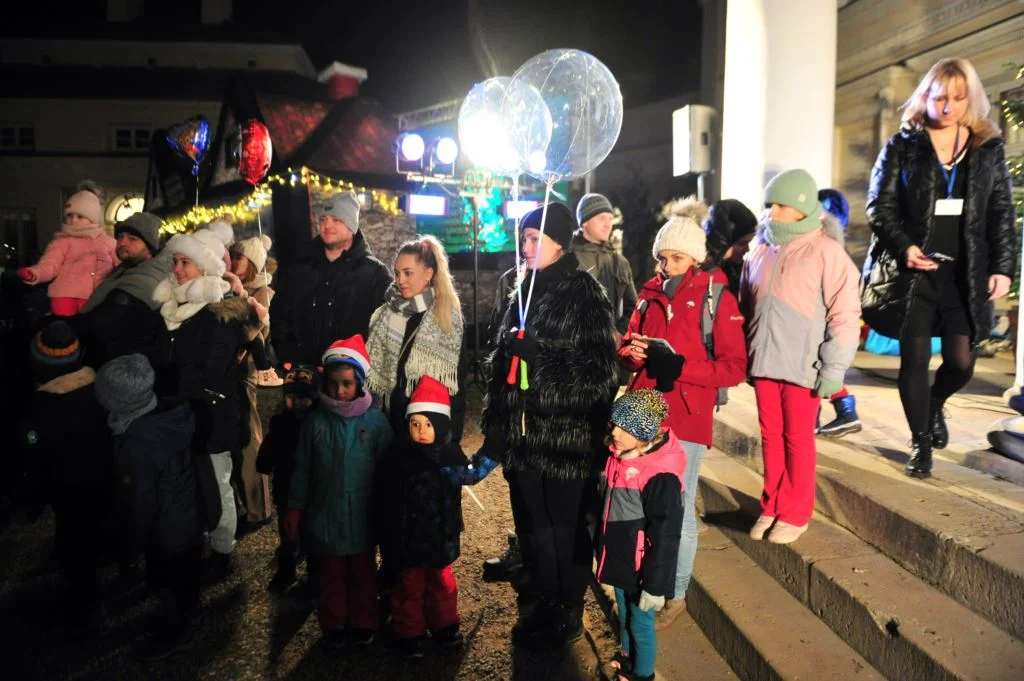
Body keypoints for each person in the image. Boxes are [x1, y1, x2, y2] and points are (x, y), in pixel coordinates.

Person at [862, 57, 1016, 478]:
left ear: (970, 99)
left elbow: (1001, 211)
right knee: (913, 359)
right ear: (926, 97)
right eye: (940, 97)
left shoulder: (987, 148)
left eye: (957, 98)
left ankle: (935, 404)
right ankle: (920, 444)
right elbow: (879, 205)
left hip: (964, 274)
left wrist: (1002, 266)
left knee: (962, 362)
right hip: (914, 271)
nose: (948, 106)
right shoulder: (903, 145)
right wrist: (905, 246)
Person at [480, 202, 618, 649]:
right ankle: (543, 599)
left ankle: (568, 608)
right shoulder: (522, 290)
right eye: (523, 238)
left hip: (565, 441)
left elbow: (600, 372)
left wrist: (544, 360)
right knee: (533, 527)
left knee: (565, 527)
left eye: (536, 238)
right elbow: (502, 363)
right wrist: (497, 423)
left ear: (560, 241)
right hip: (523, 439)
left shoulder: (585, 294)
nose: (526, 246)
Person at [619, 202, 747, 628]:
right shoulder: (649, 290)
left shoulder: (716, 294)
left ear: (695, 257)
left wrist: (682, 369)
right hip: (644, 411)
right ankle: (646, 577)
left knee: (677, 506)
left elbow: (734, 367)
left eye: (676, 258)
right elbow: (626, 343)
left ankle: (676, 590)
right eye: (662, 257)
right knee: (636, 498)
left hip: (688, 415)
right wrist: (632, 353)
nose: (667, 265)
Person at [740, 169, 861, 544]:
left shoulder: (827, 252)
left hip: (804, 366)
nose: (771, 211)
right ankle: (772, 504)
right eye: (770, 204)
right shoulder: (759, 251)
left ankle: (795, 511)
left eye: (781, 204)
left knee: (797, 438)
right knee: (770, 437)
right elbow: (747, 307)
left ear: (802, 207)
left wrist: (834, 366)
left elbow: (845, 313)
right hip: (765, 364)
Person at [152, 229, 267, 583]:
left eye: (186, 262)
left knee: (216, 485)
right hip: (179, 414)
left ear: (204, 269)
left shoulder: (218, 315)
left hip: (209, 416)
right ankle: (199, 539)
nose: (179, 269)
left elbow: (208, 371)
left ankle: (223, 548)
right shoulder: (173, 309)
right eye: (176, 261)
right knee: (190, 483)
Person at [284, 336, 393, 651]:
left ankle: (362, 620)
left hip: (362, 516)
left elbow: (385, 472)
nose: (340, 390)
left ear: (359, 383)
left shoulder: (374, 422)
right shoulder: (316, 423)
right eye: (334, 383)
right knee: (330, 576)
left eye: (347, 383)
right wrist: (294, 508)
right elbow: (303, 469)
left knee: (362, 574)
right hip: (326, 516)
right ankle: (334, 622)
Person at [94, 354, 202, 662]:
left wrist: (131, 541)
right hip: (185, 516)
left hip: (166, 528)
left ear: (118, 402)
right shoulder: (167, 416)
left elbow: (141, 500)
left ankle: (177, 632)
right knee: (183, 577)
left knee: (166, 579)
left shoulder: (138, 441)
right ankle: (185, 617)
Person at [384, 376, 498, 658]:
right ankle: (409, 632)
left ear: (442, 426)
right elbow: (387, 497)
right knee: (408, 587)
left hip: (439, 539)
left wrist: (493, 450)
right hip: (409, 540)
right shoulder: (400, 457)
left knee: (442, 585)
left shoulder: (448, 456)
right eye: (416, 423)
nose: (421, 430)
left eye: (429, 424)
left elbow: (470, 473)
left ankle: (444, 625)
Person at [17, 319, 114, 629]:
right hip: (102, 477)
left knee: (76, 542)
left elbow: (37, 456)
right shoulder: (99, 390)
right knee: (97, 530)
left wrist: (31, 497)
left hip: (67, 487)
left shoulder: (42, 406)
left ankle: (87, 606)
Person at [597, 390, 684, 681]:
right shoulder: (620, 456)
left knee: (640, 624)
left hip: (642, 571)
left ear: (644, 434)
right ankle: (627, 658)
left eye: (624, 428)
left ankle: (642, 674)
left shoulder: (660, 477)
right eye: (614, 425)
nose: (615, 433)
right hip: (622, 561)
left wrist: (656, 585)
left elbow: (666, 537)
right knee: (624, 615)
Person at [271, 191, 392, 367]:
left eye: (336, 220)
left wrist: (357, 363)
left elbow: (384, 326)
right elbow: (279, 315)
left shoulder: (374, 274)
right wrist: (288, 356)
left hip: (351, 379)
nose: (327, 225)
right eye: (323, 219)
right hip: (302, 373)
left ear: (352, 226)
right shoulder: (300, 268)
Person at [365, 235, 468, 442]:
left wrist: (451, 440)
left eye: (408, 273)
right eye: (397, 273)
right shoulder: (384, 313)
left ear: (428, 273)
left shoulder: (445, 319)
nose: (400, 280)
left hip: (423, 429)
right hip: (386, 422)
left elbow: (455, 389)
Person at [228, 234, 279, 530]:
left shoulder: (262, 294)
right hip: (228, 371)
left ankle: (259, 507)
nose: (232, 262)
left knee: (249, 435)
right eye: (231, 256)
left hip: (244, 370)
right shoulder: (231, 286)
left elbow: (257, 332)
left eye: (239, 258)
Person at [256, 363, 319, 593]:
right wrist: (264, 461)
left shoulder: (317, 424)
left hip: (312, 491)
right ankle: (286, 570)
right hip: (286, 488)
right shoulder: (281, 422)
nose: (297, 403)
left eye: (303, 398)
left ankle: (314, 578)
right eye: (292, 397)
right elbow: (271, 444)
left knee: (312, 538)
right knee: (287, 533)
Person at [77, 211, 170, 368]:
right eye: (120, 237)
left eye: (132, 239)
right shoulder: (126, 267)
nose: (122, 243)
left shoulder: (145, 279)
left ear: (151, 246)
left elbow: (103, 322)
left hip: (120, 366)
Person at [16, 182, 118, 316]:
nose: (73, 220)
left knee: (90, 331)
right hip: (64, 296)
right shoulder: (62, 241)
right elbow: (50, 264)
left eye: (80, 216)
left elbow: (122, 265)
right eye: (70, 215)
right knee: (66, 330)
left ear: (93, 218)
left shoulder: (108, 242)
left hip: (96, 297)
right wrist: (35, 273)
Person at [814, 189, 864, 439]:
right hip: (829, 322)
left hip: (826, 322)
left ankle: (845, 412)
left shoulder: (827, 251)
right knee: (818, 369)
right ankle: (842, 412)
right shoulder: (836, 250)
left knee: (817, 369)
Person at [573, 193, 638, 337]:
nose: (608, 224)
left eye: (610, 218)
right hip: (571, 347)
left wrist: (619, 332)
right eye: (602, 218)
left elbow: (633, 306)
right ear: (584, 222)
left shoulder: (619, 262)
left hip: (608, 348)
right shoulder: (567, 257)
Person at [703, 198, 758, 294]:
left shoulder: (738, 270)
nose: (747, 249)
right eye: (742, 244)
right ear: (722, 243)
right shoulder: (701, 276)